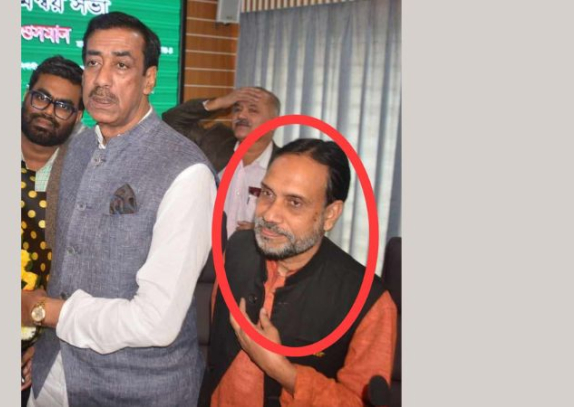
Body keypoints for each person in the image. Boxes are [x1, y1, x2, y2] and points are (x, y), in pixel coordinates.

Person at [21, 12, 216, 407]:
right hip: (54, 375)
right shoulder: (77, 148)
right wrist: (46, 349)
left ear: (149, 79)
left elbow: (156, 321)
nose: (102, 79)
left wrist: (44, 312)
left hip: (136, 391)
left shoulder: (186, 172)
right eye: (93, 63)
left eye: (121, 65)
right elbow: (67, 268)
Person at [199, 139, 398, 407]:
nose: (270, 215)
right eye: (267, 193)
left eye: (294, 202)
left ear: (330, 214)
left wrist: (283, 371)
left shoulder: (370, 301)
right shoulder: (236, 249)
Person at [19, 55, 84, 407]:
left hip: (36, 335)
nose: (47, 111)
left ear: (77, 117)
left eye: (63, 106)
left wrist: (46, 343)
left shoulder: (85, 174)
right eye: (41, 98)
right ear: (26, 96)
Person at [163, 87, 280, 238]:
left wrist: (266, 230)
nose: (241, 115)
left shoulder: (284, 166)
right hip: (205, 249)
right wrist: (219, 102)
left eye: (253, 110)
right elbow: (172, 121)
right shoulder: (214, 142)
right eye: (237, 109)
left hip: (252, 252)